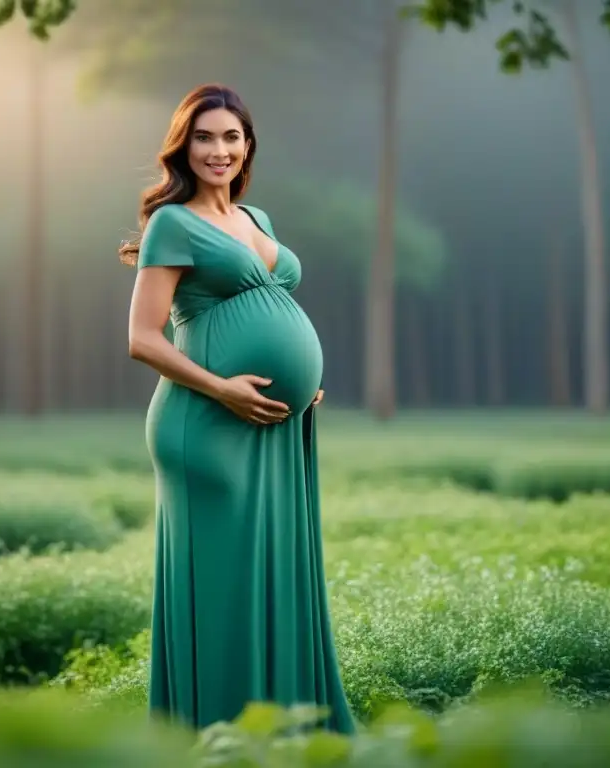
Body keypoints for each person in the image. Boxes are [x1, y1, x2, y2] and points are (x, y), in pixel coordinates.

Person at [122, 83, 356, 735]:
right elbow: (142, 338)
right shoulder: (173, 222)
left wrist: (301, 380)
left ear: (248, 143)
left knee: (271, 583)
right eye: (204, 137)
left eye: (230, 136)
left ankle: (276, 732)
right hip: (205, 424)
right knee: (225, 594)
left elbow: (268, 312)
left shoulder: (258, 221)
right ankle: (216, 739)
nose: (218, 150)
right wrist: (222, 387)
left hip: (276, 427)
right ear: (183, 145)